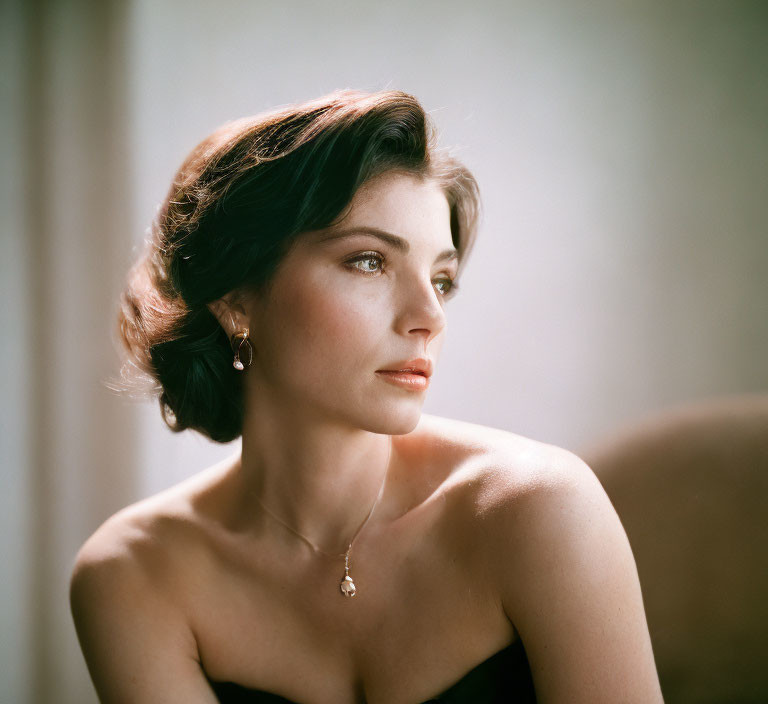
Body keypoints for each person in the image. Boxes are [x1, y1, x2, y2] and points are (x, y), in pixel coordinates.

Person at [69, 89, 664, 703]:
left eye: (441, 279)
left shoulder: (538, 512)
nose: (429, 316)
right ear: (237, 300)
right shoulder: (133, 575)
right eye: (369, 262)